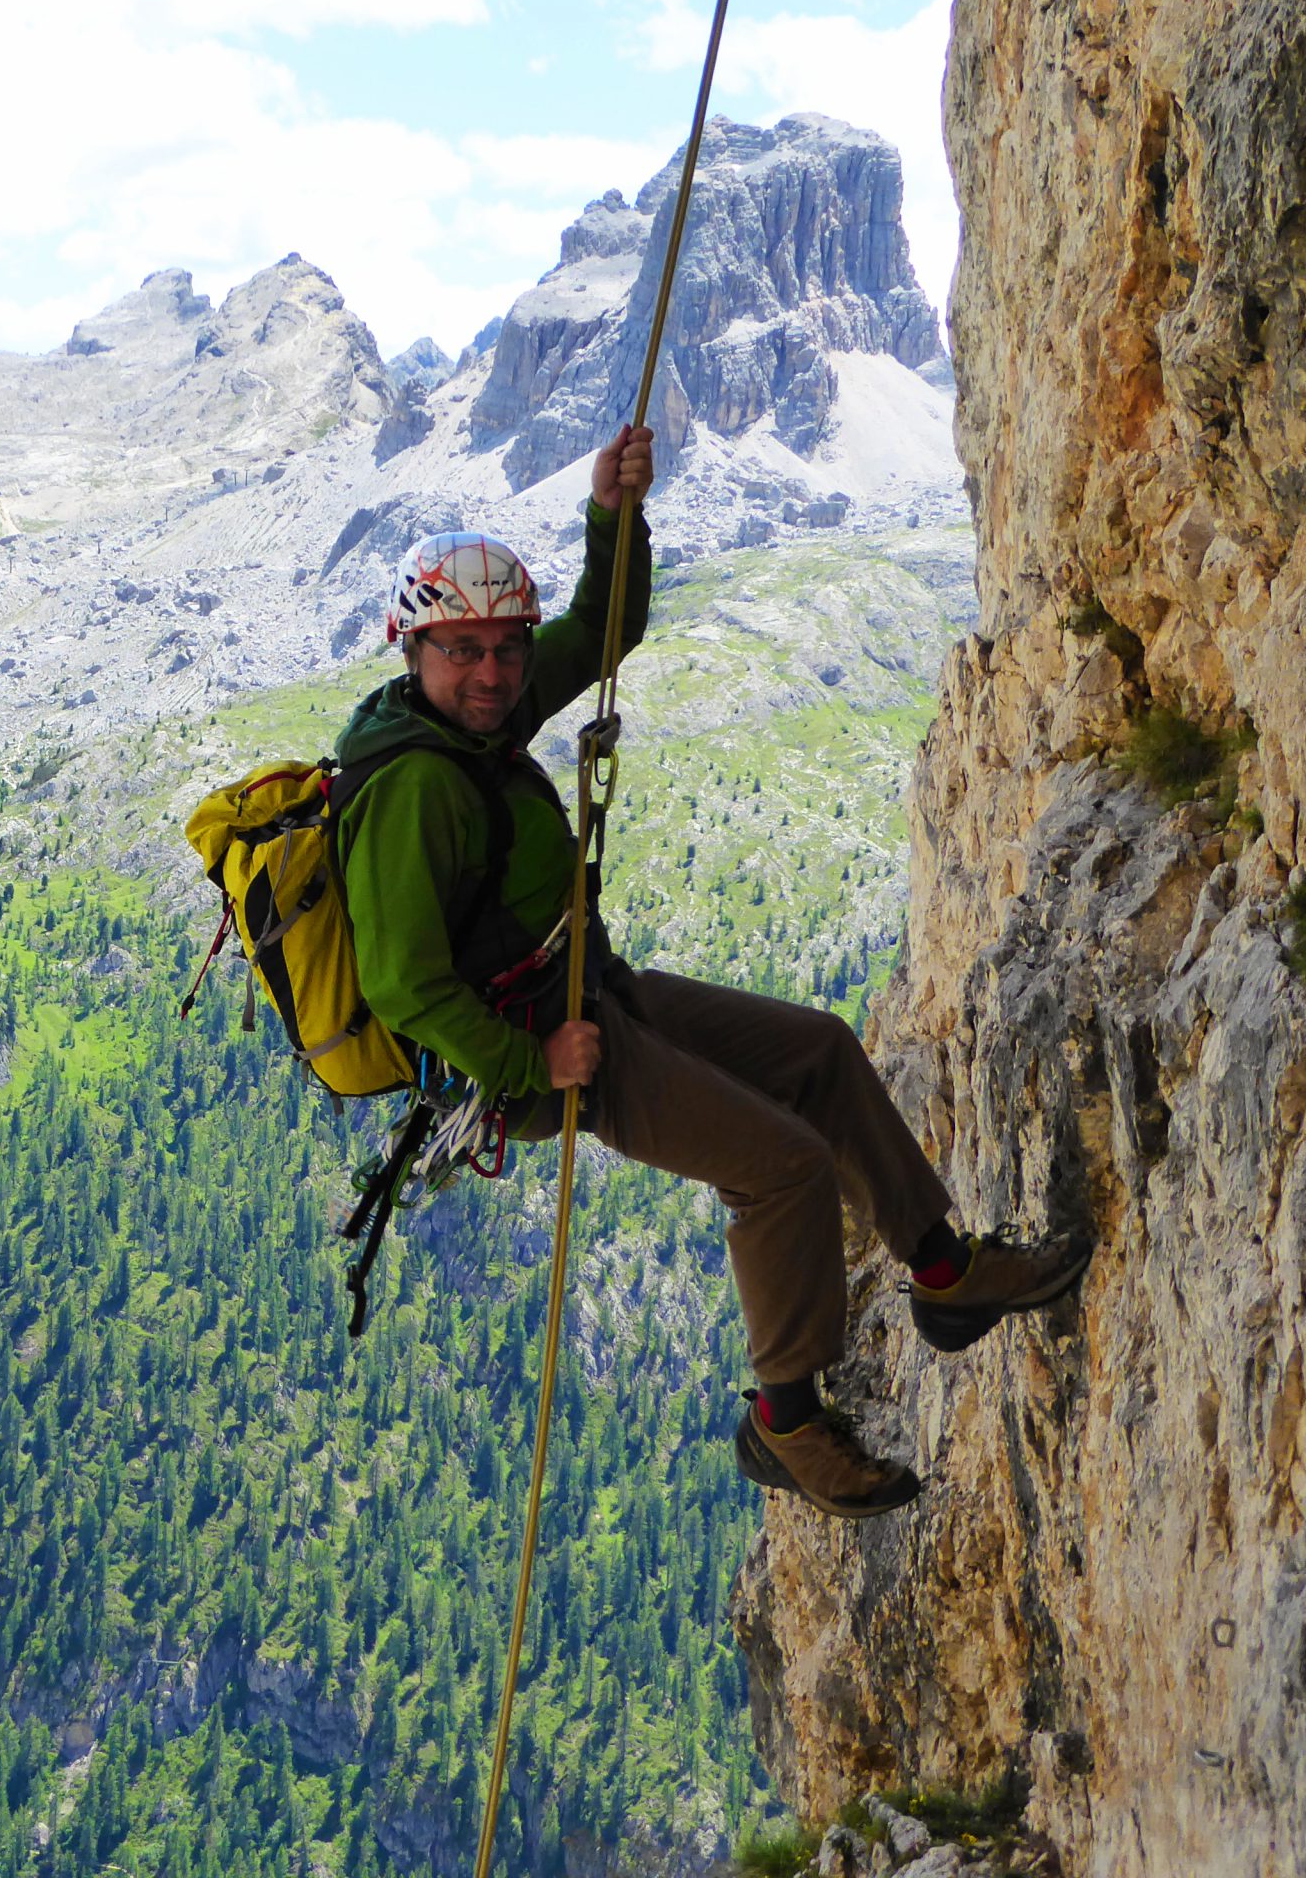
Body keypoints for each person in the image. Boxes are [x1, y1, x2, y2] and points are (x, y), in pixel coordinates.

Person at [331, 423, 1093, 1518]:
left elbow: (600, 630)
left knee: (819, 1052)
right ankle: (783, 1425)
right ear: (415, 652)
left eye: (504, 647)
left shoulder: (475, 725)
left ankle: (942, 1272)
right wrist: (532, 1062)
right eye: (465, 650)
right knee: (779, 1165)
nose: (494, 671)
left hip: (594, 998)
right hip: (550, 1051)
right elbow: (402, 984)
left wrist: (611, 514)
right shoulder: (413, 787)